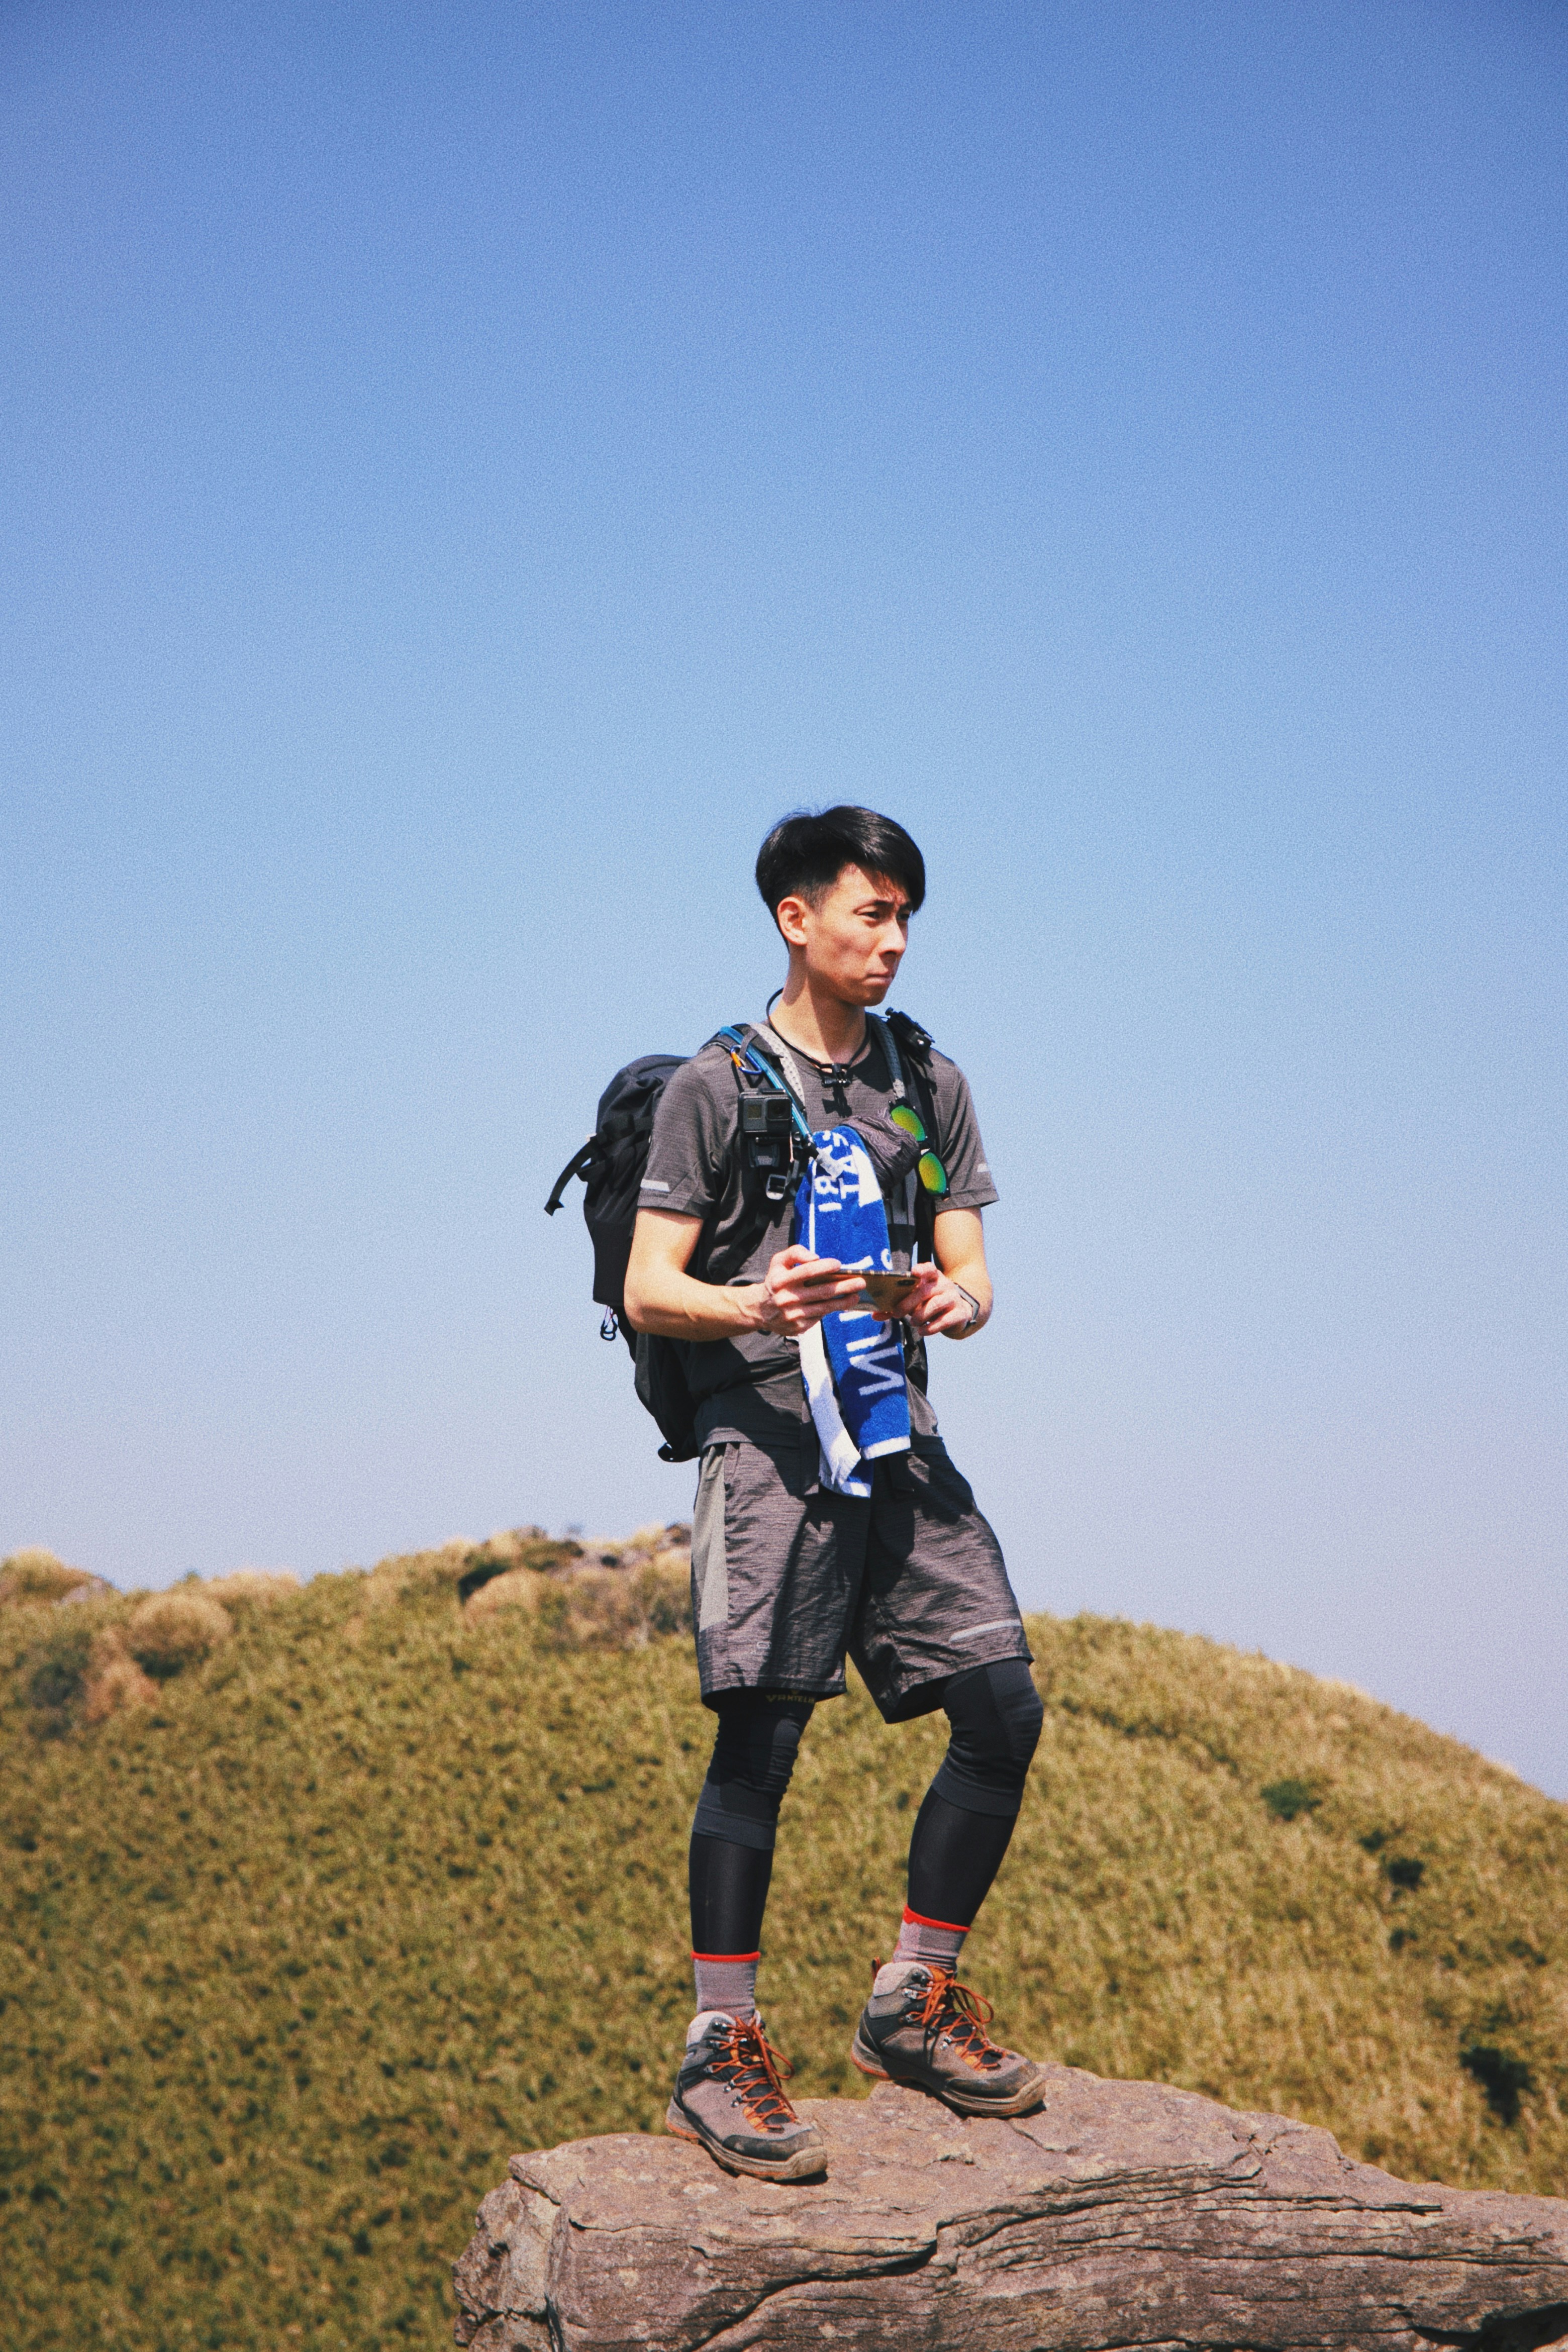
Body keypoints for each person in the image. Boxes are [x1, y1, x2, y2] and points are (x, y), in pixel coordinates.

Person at [622, 806, 1045, 2182]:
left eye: (907, 915)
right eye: (872, 912)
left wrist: (953, 1299)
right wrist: (759, 1301)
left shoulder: (928, 1078)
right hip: (768, 1441)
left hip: (896, 1432)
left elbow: (974, 1275)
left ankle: (912, 2000)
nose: (895, 939)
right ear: (796, 919)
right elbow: (649, 1284)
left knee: (1001, 1706)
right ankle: (720, 2048)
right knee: (762, 1739)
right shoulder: (718, 1086)